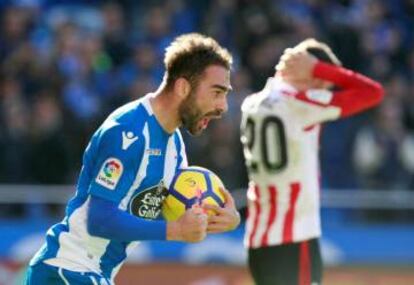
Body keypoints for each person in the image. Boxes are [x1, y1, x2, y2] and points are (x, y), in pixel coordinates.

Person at [25, 33, 240, 285]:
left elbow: (159, 211)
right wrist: (176, 230)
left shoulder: (175, 144)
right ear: (183, 87)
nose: (223, 106)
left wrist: (220, 219)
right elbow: (100, 219)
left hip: (93, 273)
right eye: (217, 92)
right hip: (66, 270)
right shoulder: (128, 131)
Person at [240, 38, 384, 285]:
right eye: (326, 85)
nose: (325, 91)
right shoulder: (299, 103)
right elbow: (373, 93)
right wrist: (319, 69)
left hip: (258, 238)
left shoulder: (251, 103)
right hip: (295, 237)